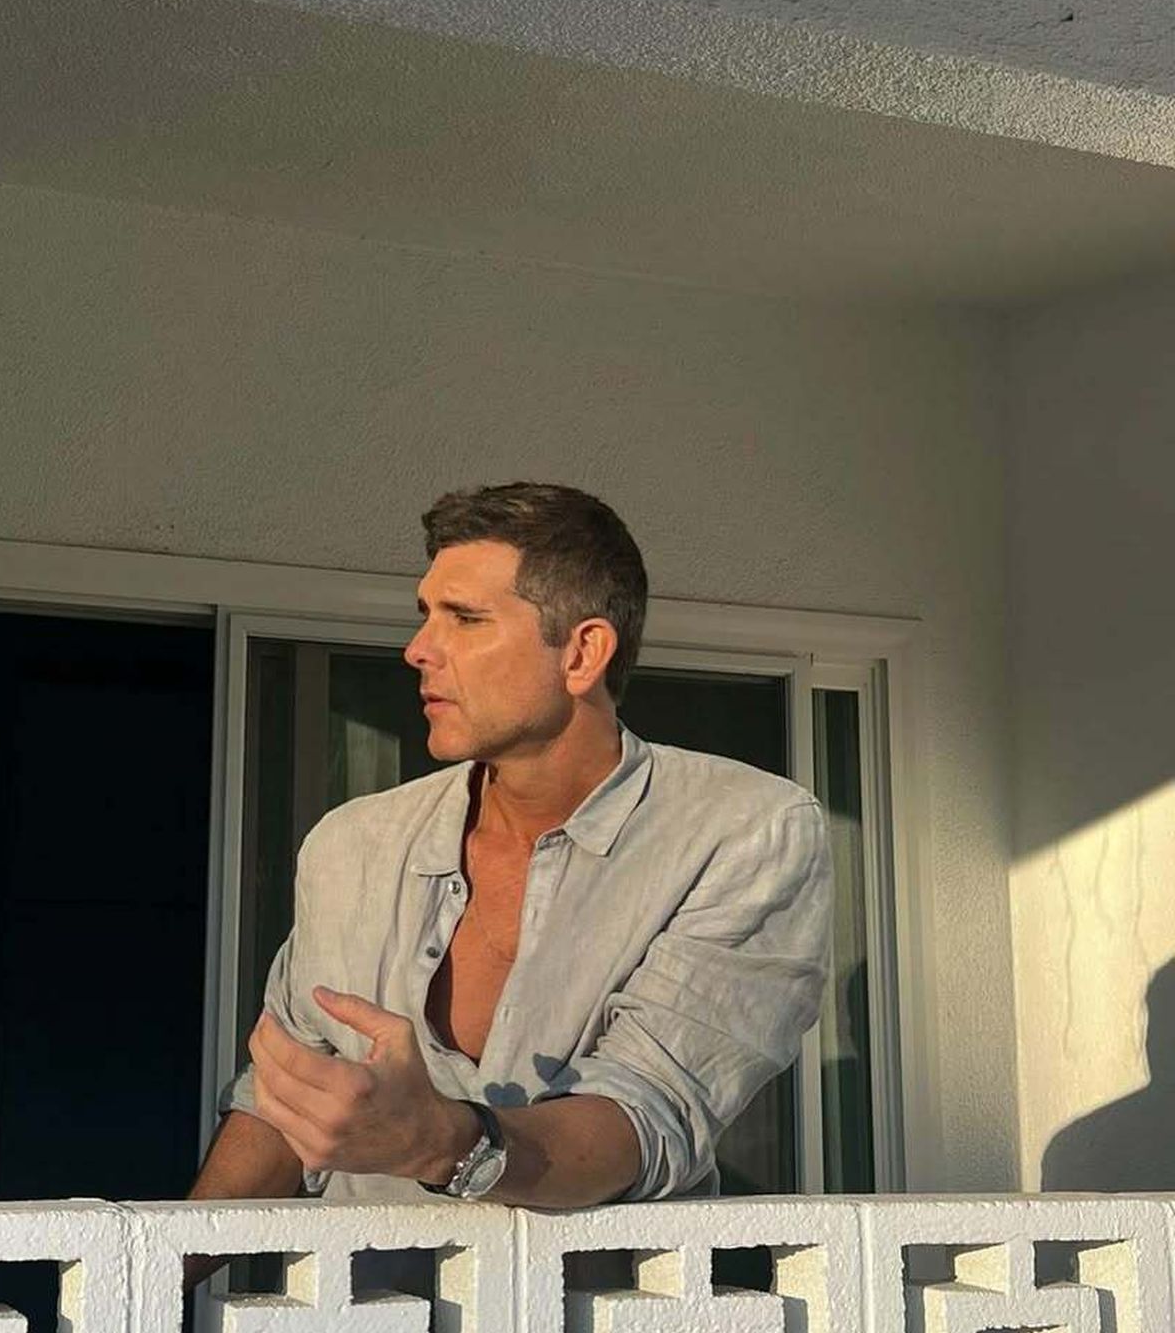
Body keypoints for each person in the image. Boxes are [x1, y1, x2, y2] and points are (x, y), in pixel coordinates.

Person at [189, 481, 833, 1216]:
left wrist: (443, 1142)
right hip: (364, 1294)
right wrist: (162, 1271)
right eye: (425, 615)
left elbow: (648, 1113)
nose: (417, 650)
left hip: (593, 1295)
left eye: (465, 619)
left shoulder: (745, 830)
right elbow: (280, 1105)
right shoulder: (351, 844)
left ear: (583, 653)